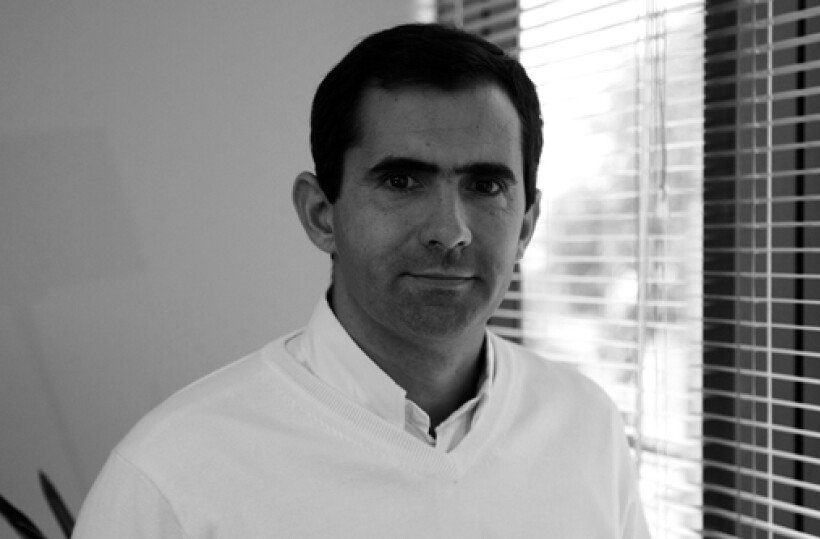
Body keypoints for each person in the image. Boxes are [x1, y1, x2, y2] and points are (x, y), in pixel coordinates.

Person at [74, 23, 650, 538]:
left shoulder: (587, 429)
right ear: (320, 214)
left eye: (486, 186)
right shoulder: (174, 474)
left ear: (526, 225)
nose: (450, 232)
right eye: (402, 182)